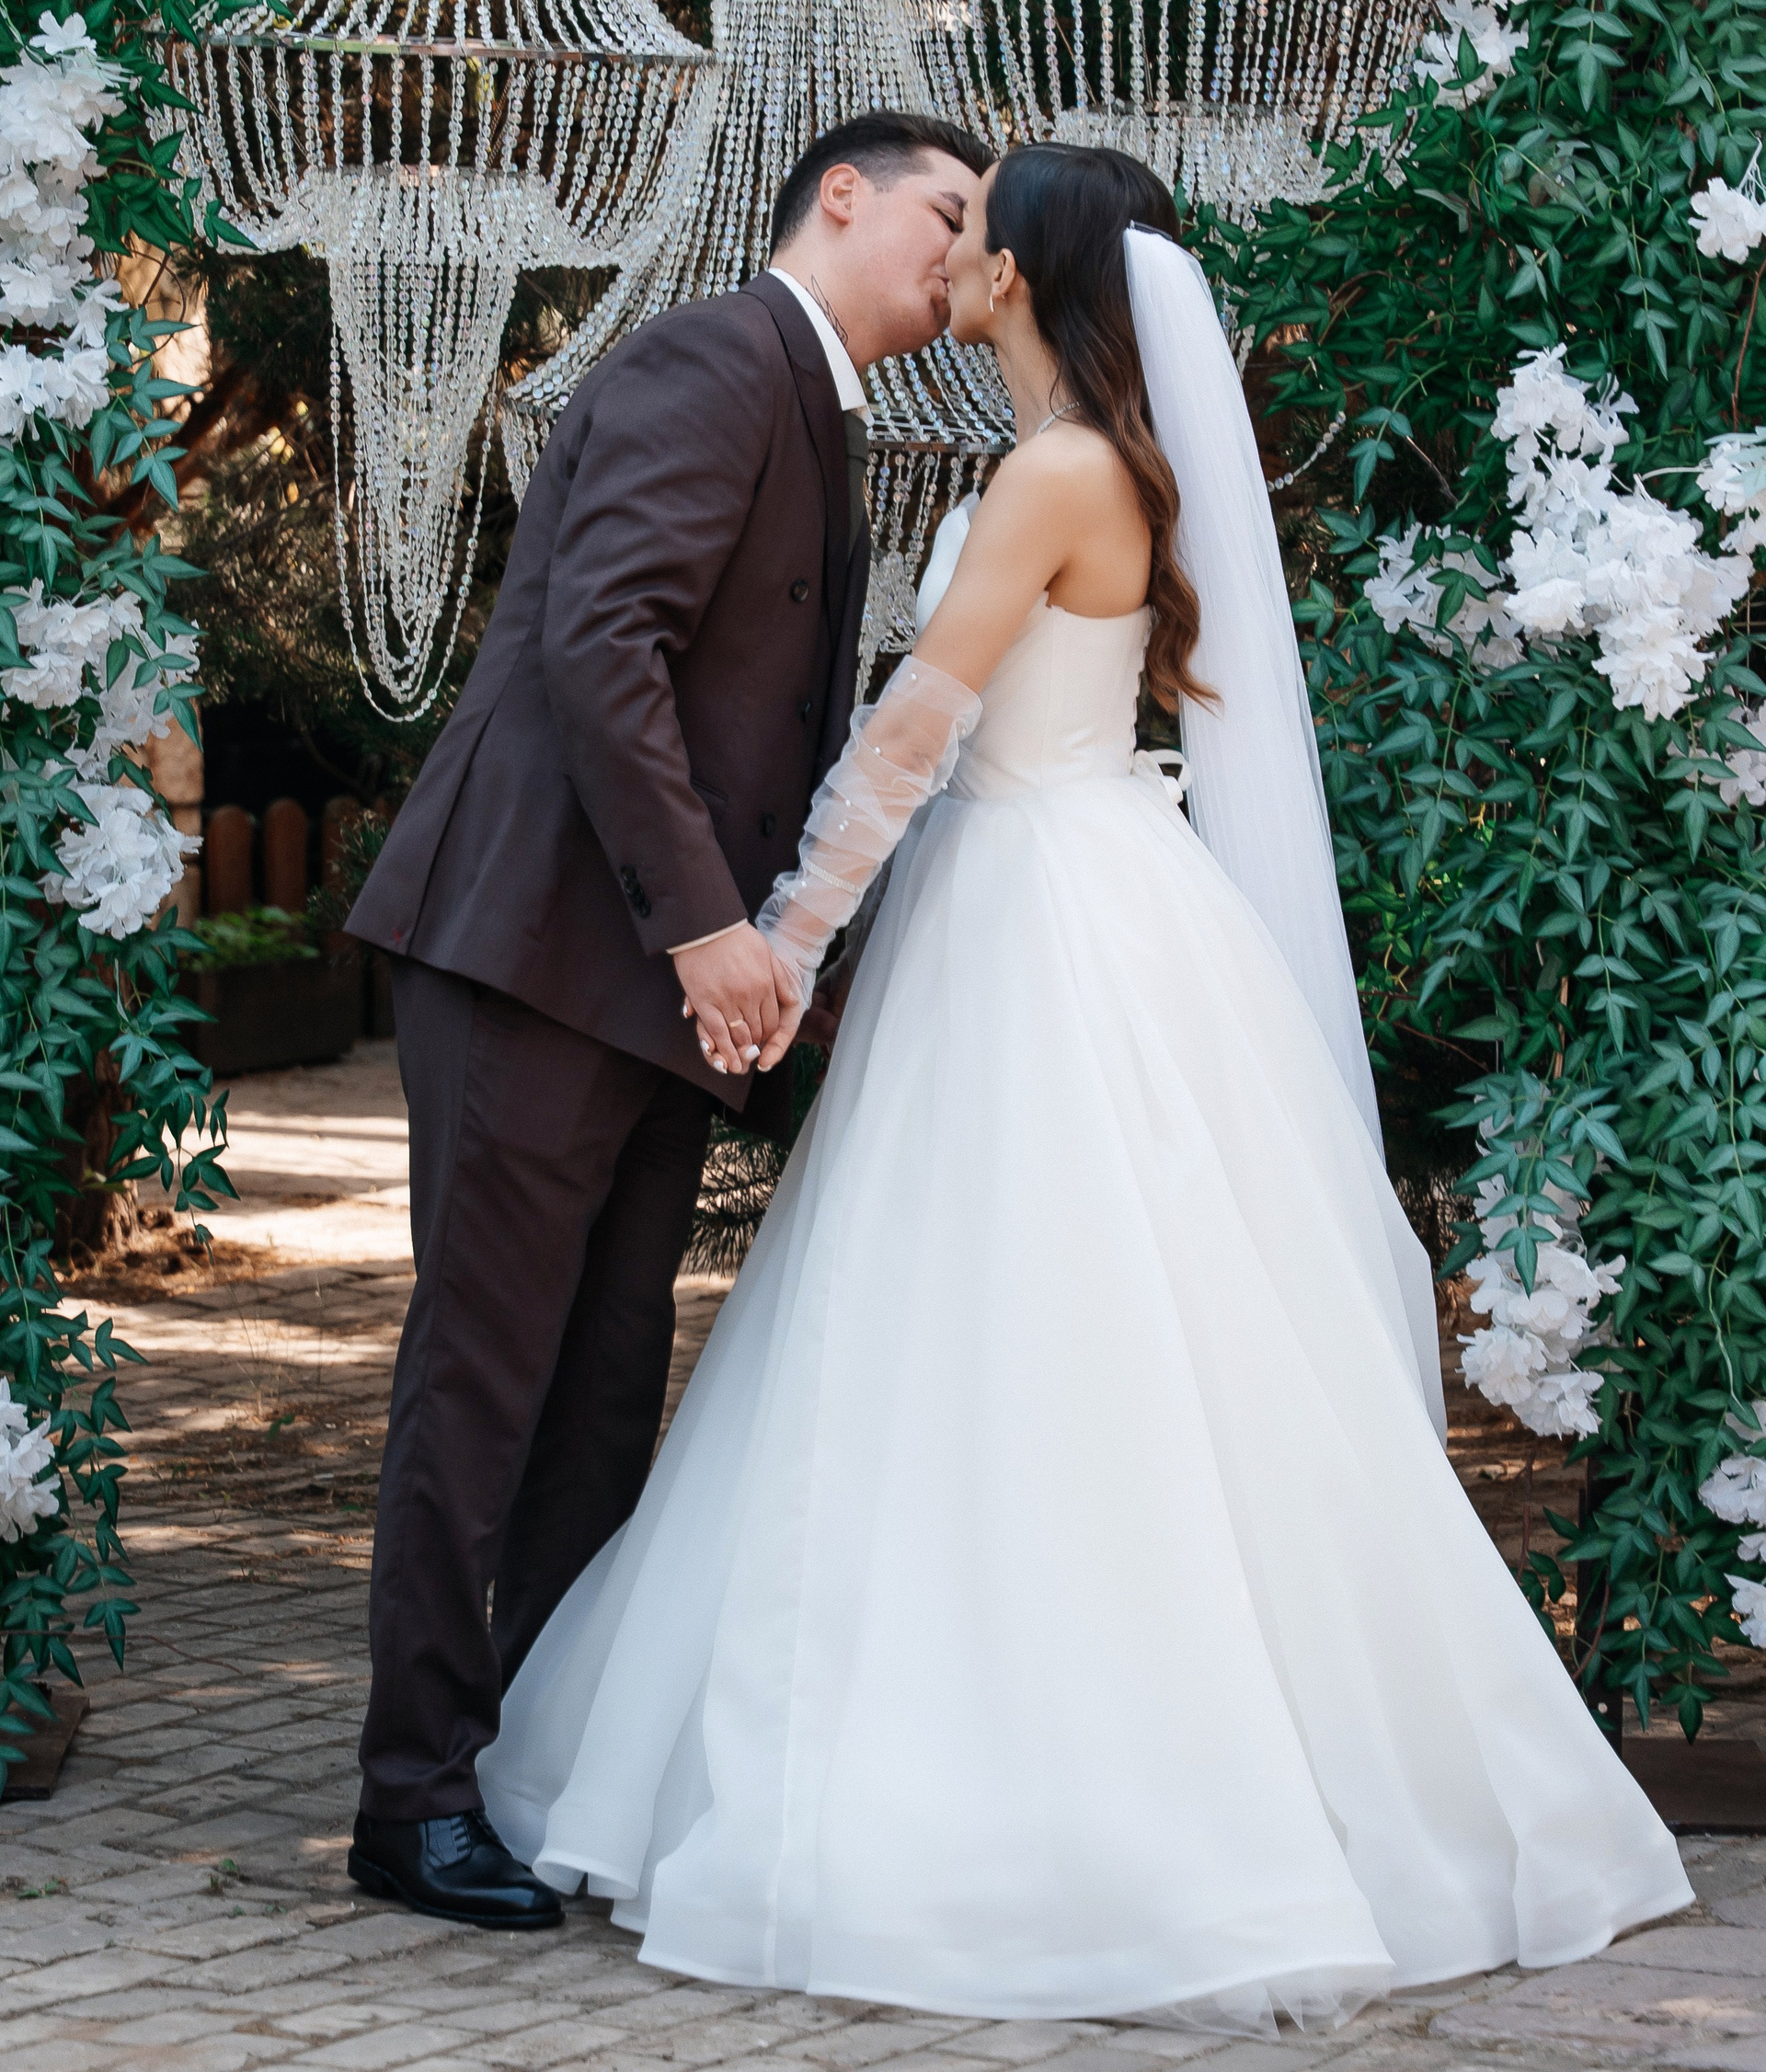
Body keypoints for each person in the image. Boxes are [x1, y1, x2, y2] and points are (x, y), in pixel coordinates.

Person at [476, 143, 1691, 2022]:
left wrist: (784, 939)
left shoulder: (1055, 472)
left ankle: (1044, 1776)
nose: (954, 251)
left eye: (979, 227)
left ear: (1029, 270)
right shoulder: (1084, 461)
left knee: (1016, 1324)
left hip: (1032, 913)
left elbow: (917, 726)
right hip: (1068, 884)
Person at [343, 112, 994, 1929]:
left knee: (604, 1389)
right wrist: (712, 926)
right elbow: (602, 641)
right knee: (483, 1380)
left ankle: (533, 1762)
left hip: (646, 986)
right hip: (543, 945)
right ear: (842, 194)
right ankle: (410, 1797)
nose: (963, 258)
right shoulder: (716, 355)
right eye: (946, 213)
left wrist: (778, 954)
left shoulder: (822, 409)